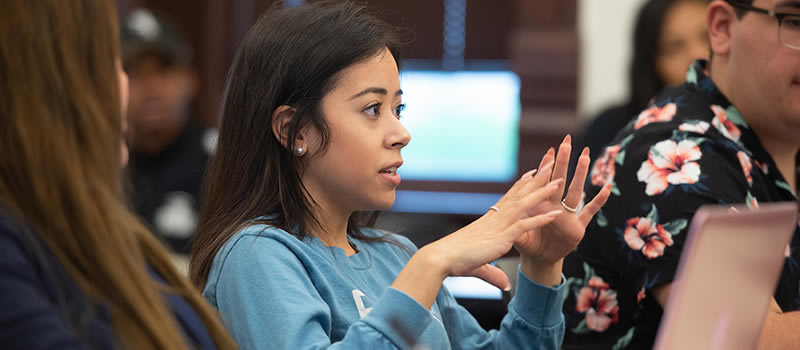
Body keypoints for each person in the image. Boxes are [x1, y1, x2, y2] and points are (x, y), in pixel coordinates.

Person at [188, 2, 611, 349]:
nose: (401, 134)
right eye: (373, 109)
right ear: (295, 130)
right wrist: (432, 264)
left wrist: (542, 264)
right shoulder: (256, 254)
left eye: (398, 109)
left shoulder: (395, 255)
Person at [562, 0, 800, 348]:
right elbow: (746, 341)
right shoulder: (672, 154)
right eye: (794, 20)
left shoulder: (775, 142)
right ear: (721, 28)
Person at [0, 1, 236, 348]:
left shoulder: (219, 161)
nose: (142, 87)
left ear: (190, 78)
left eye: (163, 70)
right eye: (128, 68)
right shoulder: (28, 233)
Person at [578, 0, 710, 164]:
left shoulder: (746, 121)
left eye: (706, 36)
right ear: (651, 62)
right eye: (674, 47)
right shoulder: (612, 129)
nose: (697, 55)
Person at [122, 9, 209, 254]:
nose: (150, 85)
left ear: (191, 79)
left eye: (163, 70)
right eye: (134, 71)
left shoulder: (225, 163)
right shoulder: (93, 166)